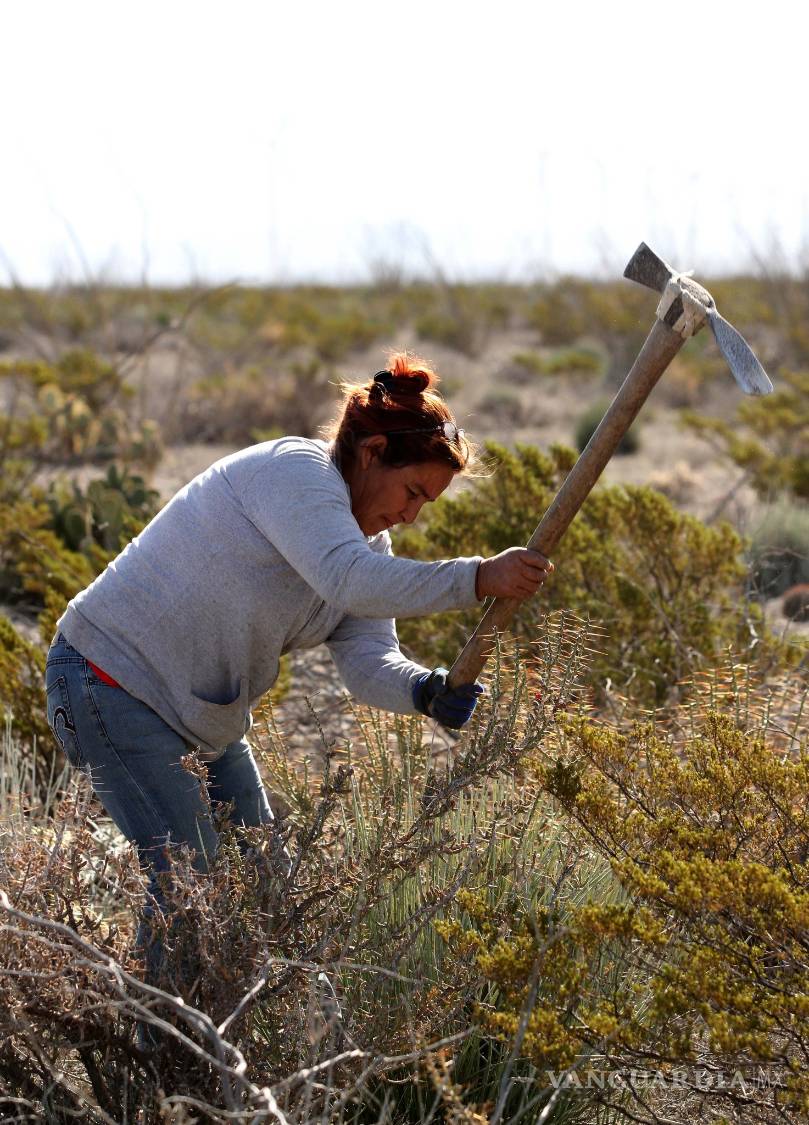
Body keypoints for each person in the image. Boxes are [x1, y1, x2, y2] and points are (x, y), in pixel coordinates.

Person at [44, 353, 553, 986]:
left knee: (266, 883)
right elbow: (351, 582)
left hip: (202, 720)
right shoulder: (296, 472)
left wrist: (425, 690)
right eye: (413, 491)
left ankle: (232, 1039)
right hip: (108, 680)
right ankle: (152, 1061)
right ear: (370, 453)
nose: (412, 514)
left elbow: (369, 662)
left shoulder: (365, 544)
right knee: (190, 878)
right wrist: (477, 577)